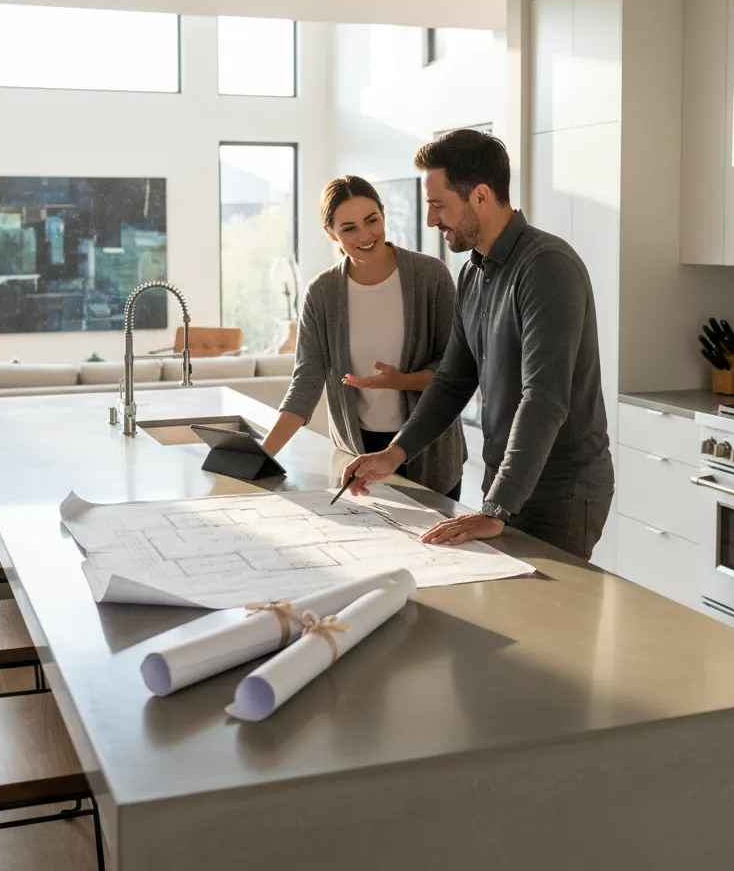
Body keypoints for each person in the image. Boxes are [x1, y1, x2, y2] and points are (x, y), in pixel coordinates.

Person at [341, 130, 614, 560]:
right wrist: (396, 452)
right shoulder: (473, 273)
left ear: (481, 197)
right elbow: (452, 379)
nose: (431, 220)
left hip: (559, 492)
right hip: (505, 483)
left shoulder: (547, 268)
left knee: (548, 621)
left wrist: (497, 506)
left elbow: (544, 398)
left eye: (438, 205)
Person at [262, 175, 466, 500]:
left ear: (383, 214)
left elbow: (455, 370)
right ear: (331, 233)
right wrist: (262, 457)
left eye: (372, 220)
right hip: (358, 454)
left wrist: (401, 381)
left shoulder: (431, 276)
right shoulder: (322, 293)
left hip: (427, 450)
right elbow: (306, 382)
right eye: (349, 228)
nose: (365, 235)